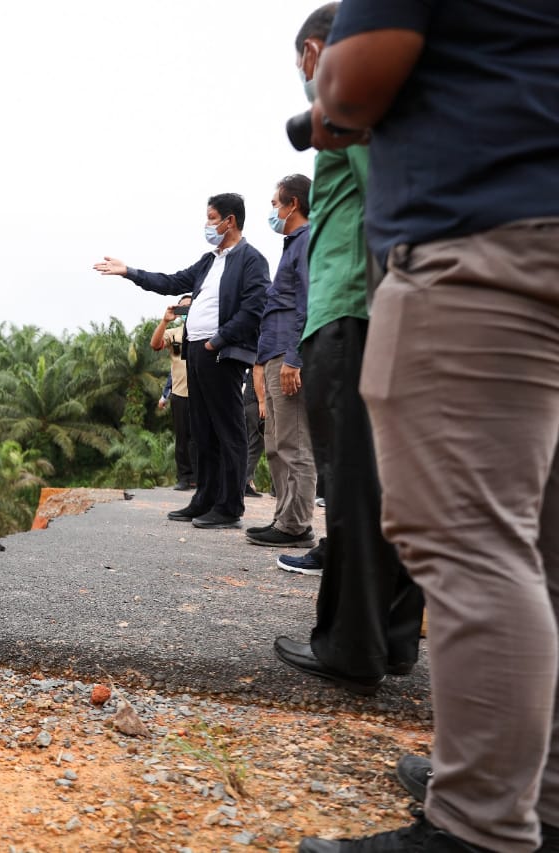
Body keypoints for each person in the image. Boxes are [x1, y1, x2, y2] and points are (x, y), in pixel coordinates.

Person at [292, 0, 559, 851]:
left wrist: (326, 106)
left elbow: (357, 82)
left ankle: (477, 826)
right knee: (542, 547)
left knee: (471, 539)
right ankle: (532, 791)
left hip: (478, 240)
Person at [271, 3, 425, 706]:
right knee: (396, 480)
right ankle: (392, 635)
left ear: (315, 52)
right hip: (377, 304)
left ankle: (349, 643)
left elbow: (381, 190)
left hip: (353, 307)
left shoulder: (349, 99)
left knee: (355, 480)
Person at [94, 194, 269, 529]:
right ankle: (204, 498)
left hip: (221, 353)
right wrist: (129, 271)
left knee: (228, 430)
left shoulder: (251, 260)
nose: (208, 224)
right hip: (196, 353)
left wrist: (217, 340)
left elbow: (253, 309)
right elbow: (171, 282)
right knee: (202, 431)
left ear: (229, 221)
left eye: (212, 217)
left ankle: (230, 506)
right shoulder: (208, 261)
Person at [247, 175, 316, 548]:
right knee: (275, 444)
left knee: (295, 445)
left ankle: (296, 526)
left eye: (275, 204)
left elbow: (306, 303)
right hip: (273, 355)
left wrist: (295, 357)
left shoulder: (306, 242)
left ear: (292, 204)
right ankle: (283, 517)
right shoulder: (290, 246)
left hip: (288, 356)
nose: (273, 211)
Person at [151, 295, 196, 490]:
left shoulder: (205, 332)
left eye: (190, 307)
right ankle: (184, 477)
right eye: (182, 308)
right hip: (180, 392)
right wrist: (164, 320)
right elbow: (155, 344)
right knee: (182, 437)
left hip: (203, 393)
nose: (186, 311)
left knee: (203, 437)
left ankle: (202, 478)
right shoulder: (173, 333)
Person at [243, 369, 264, 498]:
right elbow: (258, 375)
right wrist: (261, 401)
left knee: (254, 443)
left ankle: (245, 481)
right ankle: (244, 482)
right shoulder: (260, 355)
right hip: (254, 402)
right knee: (258, 443)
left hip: (251, 402)